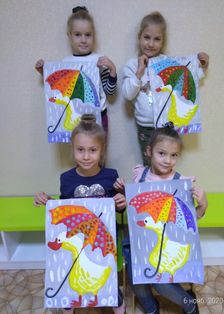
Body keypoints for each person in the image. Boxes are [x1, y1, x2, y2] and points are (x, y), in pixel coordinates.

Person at [34, 114, 126, 314]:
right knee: (68, 291)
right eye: (80, 150)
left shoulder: (111, 176)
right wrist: (48, 201)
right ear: (72, 149)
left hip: (103, 243)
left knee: (112, 293)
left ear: (101, 151)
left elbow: (117, 210)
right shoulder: (66, 179)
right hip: (77, 244)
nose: (86, 156)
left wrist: (121, 200)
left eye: (93, 150)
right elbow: (66, 209)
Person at [114, 123, 208, 314]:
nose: (168, 160)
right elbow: (135, 208)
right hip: (136, 242)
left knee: (162, 284)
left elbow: (190, 222)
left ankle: (189, 305)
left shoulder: (181, 184)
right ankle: (150, 308)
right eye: (162, 153)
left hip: (165, 246)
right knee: (138, 282)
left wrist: (203, 204)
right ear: (149, 151)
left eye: (174, 155)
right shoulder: (140, 174)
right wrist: (124, 195)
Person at [122, 11, 209, 165]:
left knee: (166, 164)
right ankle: (149, 188)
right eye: (147, 37)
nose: (150, 43)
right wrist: (139, 73)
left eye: (157, 39)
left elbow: (186, 77)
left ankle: (165, 189)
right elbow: (128, 94)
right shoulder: (132, 65)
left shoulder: (168, 62)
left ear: (163, 42)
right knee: (149, 164)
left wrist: (201, 65)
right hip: (146, 127)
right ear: (139, 37)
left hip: (167, 125)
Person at [35, 6, 117, 133]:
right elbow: (57, 88)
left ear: (93, 35)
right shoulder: (65, 63)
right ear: (69, 36)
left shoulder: (99, 60)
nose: (83, 40)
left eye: (88, 35)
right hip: (76, 119)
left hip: (98, 116)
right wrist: (44, 71)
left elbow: (109, 92)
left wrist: (112, 70)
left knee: (98, 152)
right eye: (78, 35)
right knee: (78, 151)